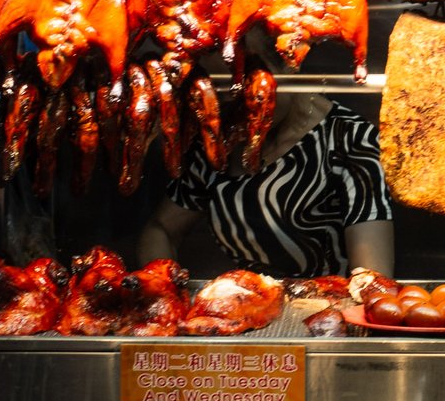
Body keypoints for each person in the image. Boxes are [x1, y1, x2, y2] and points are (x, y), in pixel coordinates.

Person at [139, 94, 394, 279]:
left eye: (254, 86)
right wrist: (164, 293)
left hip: (327, 322)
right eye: (227, 87)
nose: (238, 103)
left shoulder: (350, 138)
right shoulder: (214, 141)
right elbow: (161, 229)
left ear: (289, 68)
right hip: (246, 318)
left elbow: (373, 278)